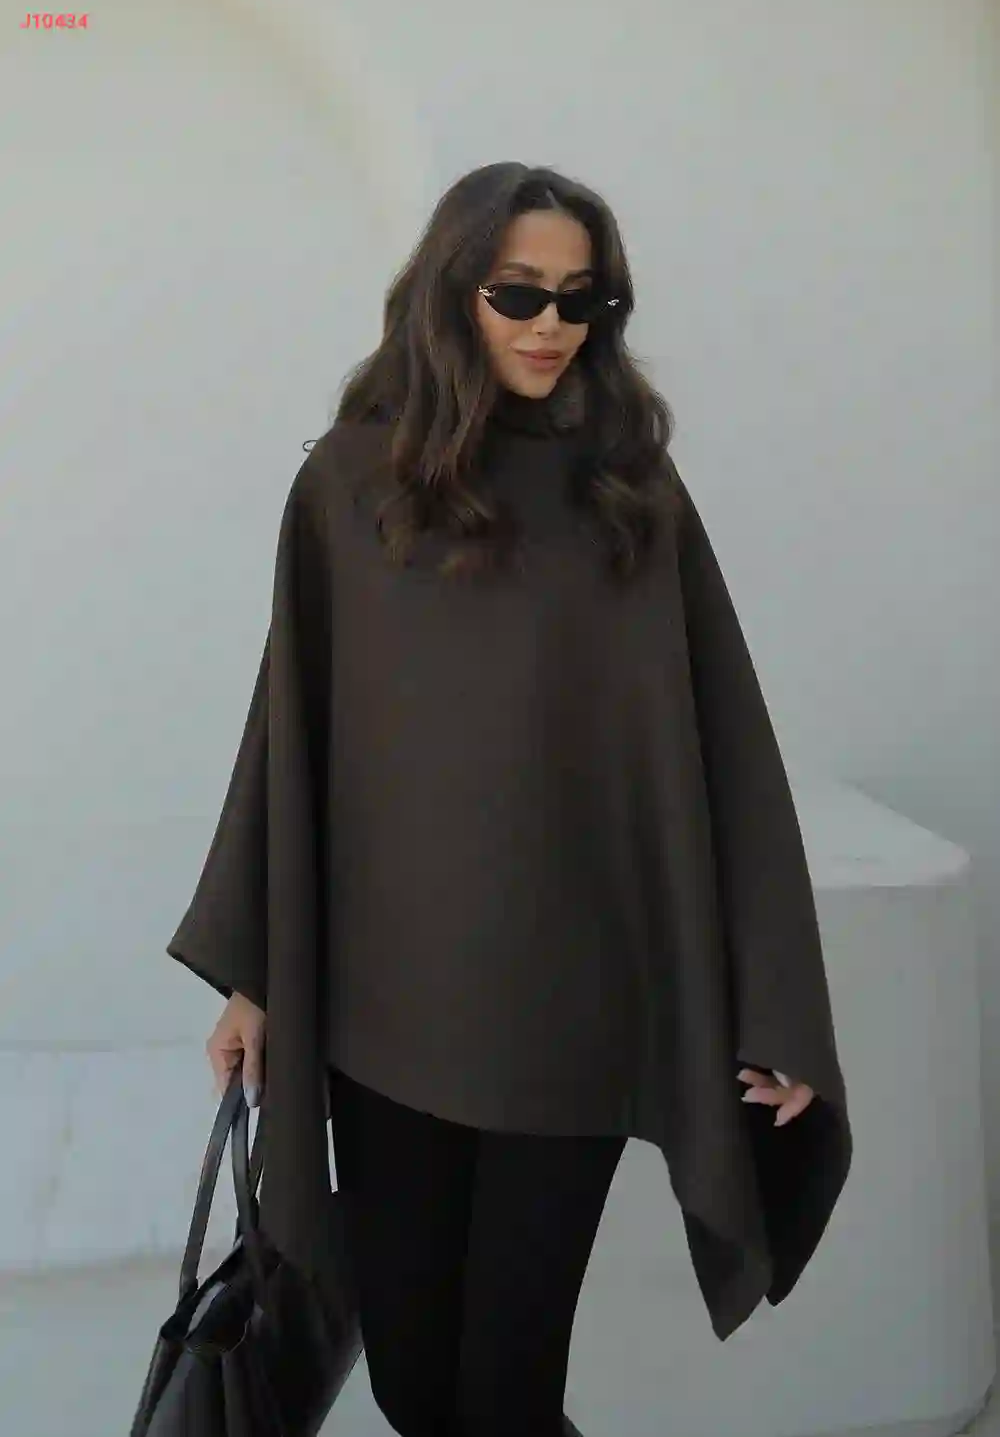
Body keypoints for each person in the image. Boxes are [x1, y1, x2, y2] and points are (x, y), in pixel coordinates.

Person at [171, 162, 852, 1437]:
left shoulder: (627, 491)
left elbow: (720, 750)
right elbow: (290, 735)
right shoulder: (349, 486)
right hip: (387, 1009)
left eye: (580, 299)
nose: (551, 326)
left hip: (571, 1010)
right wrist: (258, 976)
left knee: (504, 1395)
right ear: (451, 295)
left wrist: (766, 1002)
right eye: (518, 294)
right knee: (412, 1384)